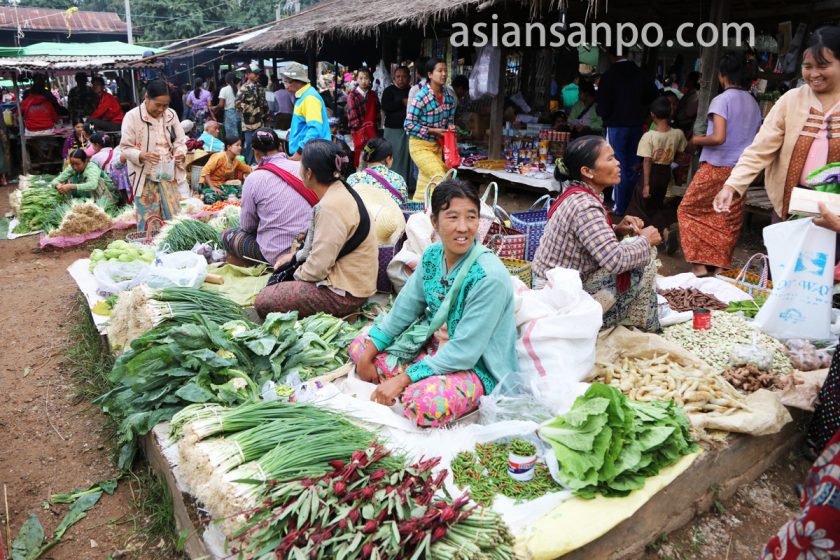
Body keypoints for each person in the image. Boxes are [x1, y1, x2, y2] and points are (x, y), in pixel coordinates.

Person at [349, 179, 518, 427]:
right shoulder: (431, 257)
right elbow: (401, 312)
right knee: (360, 347)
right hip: (436, 350)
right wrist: (367, 357)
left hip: (476, 367)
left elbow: (465, 352)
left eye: (471, 217)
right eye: (452, 217)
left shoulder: (489, 277)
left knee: (422, 403)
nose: (463, 228)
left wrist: (403, 379)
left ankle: (419, 385)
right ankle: (418, 380)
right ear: (434, 222)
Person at [532, 136, 662, 331]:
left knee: (634, 250)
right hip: (557, 296)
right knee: (644, 262)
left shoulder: (577, 193)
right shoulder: (585, 206)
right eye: (610, 159)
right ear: (587, 172)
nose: (617, 163)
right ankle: (618, 324)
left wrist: (617, 231)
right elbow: (615, 261)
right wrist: (645, 239)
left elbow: (587, 240)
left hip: (555, 283)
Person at [715, 27, 840, 225]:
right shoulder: (791, 100)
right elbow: (760, 148)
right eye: (808, 66)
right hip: (789, 207)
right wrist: (731, 186)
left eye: (823, 66)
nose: (814, 74)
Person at [254, 140, 377, 319]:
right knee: (281, 275)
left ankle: (342, 312)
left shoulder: (330, 207)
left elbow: (317, 268)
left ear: (309, 173)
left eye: (301, 164)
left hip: (345, 293)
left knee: (264, 300)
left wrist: (293, 274)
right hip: (356, 284)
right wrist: (294, 258)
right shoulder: (340, 190)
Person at [677, 52, 762, 277]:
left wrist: (696, 139)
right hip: (742, 170)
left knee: (688, 210)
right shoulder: (753, 103)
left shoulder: (721, 100)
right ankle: (720, 266)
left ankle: (699, 264)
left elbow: (718, 138)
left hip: (717, 166)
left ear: (722, 76)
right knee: (728, 218)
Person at [222, 128, 315, 267]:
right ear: (280, 147)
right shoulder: (303, 167)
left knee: (227, 235)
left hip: (277, 255)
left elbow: (248, 226)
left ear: (256, 153)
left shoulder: (254, 178)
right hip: (309, 248)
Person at [596, 47, 660, 214]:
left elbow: (602, 107)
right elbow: (654, 94)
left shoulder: (609, 76)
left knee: (617, 164)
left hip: (616, 126)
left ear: (611, 55)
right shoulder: (639, 73)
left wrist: (606, 114)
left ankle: (620, 207)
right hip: (636, 126)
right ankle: (632, 206)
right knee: (633, 166)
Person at [120, 79, 187, 231]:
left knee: (173, 217)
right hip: (145, 175)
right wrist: (142, 155)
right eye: (157, 105)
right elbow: (125, 147)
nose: (161, 109)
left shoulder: (171, 115)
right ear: (146, 98)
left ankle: (173, 247)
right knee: (149, 219)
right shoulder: (132, 117)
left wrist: (180, 152)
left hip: (168, 174)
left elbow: (180, 140)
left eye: (165, 105)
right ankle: (150, 248)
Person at [626, 97, 687, 235]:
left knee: (638, 204)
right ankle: (665, 232)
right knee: (655, 205)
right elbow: (682, 151)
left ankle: (632, 233)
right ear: (670, 113)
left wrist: (646, 185)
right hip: (665, 173)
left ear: (652, 115)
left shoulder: (649, 136)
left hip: (651, 174)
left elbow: (647, 161)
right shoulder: (677, 134)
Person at [405, 58, 457, 203]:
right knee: (440, 177)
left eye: (445, 71)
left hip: (436, 147)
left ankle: (415, 214)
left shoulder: (449, 97)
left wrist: (451, 128)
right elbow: (408, 124)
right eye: (440, 71)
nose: (444, 74)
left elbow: (449, 122)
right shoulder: (421, 97)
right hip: (419, 146)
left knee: (424, 185)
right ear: (429, 74)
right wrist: (431, 131)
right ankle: (436, 210)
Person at [280, 62, 331, 161]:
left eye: (288, 82)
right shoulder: (302, 96)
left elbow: (315, 129)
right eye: (284, 82)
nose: (286, 87)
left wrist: (300, 151)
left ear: (298, 81)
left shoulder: (309, 98)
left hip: (310, 155)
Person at [347, 137, 409, 204]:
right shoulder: (398, 179)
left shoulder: (353, 179)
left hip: (363, 214)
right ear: (388, 159)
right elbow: (404, 205)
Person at [380, 66, 411, 182]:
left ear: (409, 78)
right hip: (392, 130)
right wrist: (402, 102)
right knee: (393, 156)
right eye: (398, 77)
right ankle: (391, 182)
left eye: (404, 77)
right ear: (394, 78)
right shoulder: (389, 91)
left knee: (406, 158)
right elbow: (386, 107)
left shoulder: (412, 91)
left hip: (408, 130)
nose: (401, 79)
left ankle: (405, 182)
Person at [49, 148, 116, 203]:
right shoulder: (71, 168)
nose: (74, 167)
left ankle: (99, 204)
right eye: (72, 164)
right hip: (87, 197)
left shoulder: (92, 168)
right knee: (67, 181)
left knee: (98, 181)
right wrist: (58, 185)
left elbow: (92, 185)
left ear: (85, 161)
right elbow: (55, 181)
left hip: (105, 195)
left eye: (78, 164)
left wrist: (71, 186)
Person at [346, 67, 382, 168]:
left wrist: (374, 127)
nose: (363, 81)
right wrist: (365, 129)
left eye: (366, 78)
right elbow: (353, 118)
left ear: (370, 79)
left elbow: (377, 112)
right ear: (357, 79)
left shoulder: (373, 95)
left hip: (373, 133)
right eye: (361, 78)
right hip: (359, 134)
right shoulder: (352, 96)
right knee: (361, 161)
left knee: (373, 160)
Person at [199, 136, 251, 203]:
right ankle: (204, 195)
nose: (240, 148)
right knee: (211, 198)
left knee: (243, 189)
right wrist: (212, 187)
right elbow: (205, 171)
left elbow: (248, 169)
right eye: (237, 145)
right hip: (207, 185)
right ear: (229, 147)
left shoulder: (236, 161)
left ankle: (222, 198)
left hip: (221, 186)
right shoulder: (219, 157)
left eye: (240, 145)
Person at [236, 65, 269, 166]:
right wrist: (252, 109)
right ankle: (249, 165)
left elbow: (264, 104)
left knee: (260, 144)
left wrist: (266, 116)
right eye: (255, 73)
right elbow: (237, 104)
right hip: (248, 123)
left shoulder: (260, 87)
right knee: (250, 144)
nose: (257, 75)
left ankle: (260, 165)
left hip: (260, 122)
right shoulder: (243, 88)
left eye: (258, 73)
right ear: (248, 74)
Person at [90, 132, 131, 204]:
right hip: (124, 183)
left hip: (109, 185)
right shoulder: (117, 151)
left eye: (92, 145)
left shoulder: (95, 157)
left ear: (96, 145)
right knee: (126, 200)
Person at [675, 71, 701, 137]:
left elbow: (689, 113)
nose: (685, 81)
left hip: (686, 128)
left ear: (691, 81)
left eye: (687, 79)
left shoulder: (695, 95)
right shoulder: (691, 93)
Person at [216, 72, 241, 138]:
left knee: (231, 136)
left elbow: (221, 105)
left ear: (226, 80)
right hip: (240, 114)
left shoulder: (224, 89)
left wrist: (214, 108)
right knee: (240, 134)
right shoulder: (240, 89)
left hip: (230, 115)